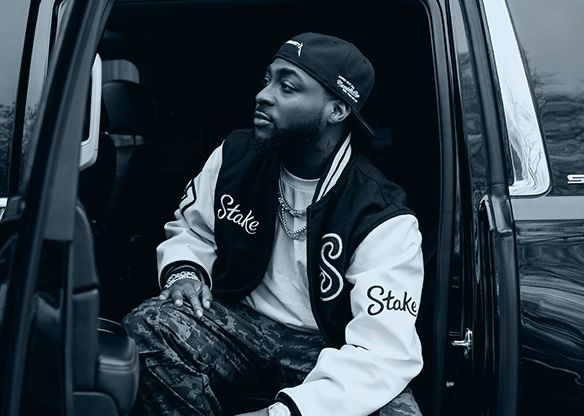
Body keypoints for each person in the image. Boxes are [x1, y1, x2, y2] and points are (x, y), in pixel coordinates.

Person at [123, 32, 424, 416]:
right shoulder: (235, 156)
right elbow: (193, 230)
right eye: (267, 80)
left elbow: (382, 352)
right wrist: (185, 271)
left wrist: (283, 413)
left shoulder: (381, 214)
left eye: (287, 87)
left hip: (327, 345)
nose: (263, 95)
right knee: (149, 326)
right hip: (240, 326)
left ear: (337, 110)